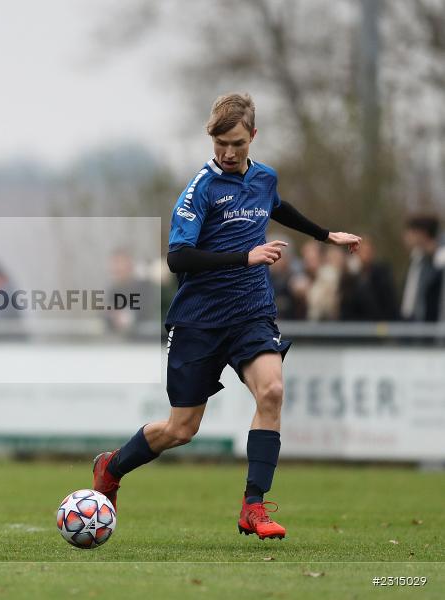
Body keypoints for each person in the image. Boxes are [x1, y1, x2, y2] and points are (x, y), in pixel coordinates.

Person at [92, 93, 361, 540]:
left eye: (237, 142)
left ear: (253, 136)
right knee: (181, 429)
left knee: (272, 391)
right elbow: (178, 257)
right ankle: (112, 466)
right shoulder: (200, 189)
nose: (229, 153)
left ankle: (253, 506)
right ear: (211, 140)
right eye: (221, 145)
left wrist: (326, 234)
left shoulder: (264, 178)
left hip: (251, 312)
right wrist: (245, 256)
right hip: (199, 320)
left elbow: (277, 205)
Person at [400, 214, 442, 322]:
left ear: (422, 234)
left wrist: (432, 255)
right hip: (409, 320)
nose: (406, 237)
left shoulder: (438, 259)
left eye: (411, 233)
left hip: (427, 323)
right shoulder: (416, 258)